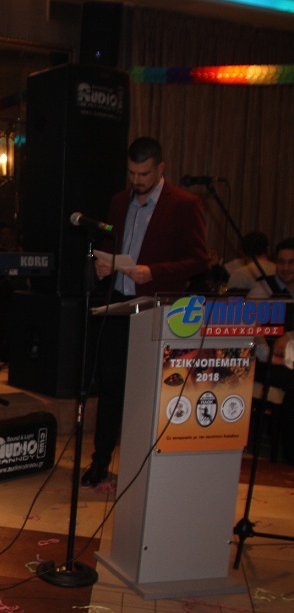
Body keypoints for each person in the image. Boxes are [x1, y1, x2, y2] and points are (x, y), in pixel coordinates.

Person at [83, 136, 209, 486]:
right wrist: (103, 265)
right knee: (111, 389)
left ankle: (147, 465)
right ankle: (100, 461)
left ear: (160, 168)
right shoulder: (119, 201)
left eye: (144, 174)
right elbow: (109, 243)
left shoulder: (184, 204)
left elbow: (198, 259)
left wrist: (153, 271)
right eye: (132, 173)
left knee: (151, 392)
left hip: (157, 311)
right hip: (118, 305)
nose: (136, 181)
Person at [249, 238, 294, 464]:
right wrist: (267, 355)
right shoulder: (263, 289)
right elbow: (249, 328)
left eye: (291, 262)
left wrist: (290, 336)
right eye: (281, 262)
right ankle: (290, 453)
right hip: (264, 361)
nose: (285, 267)